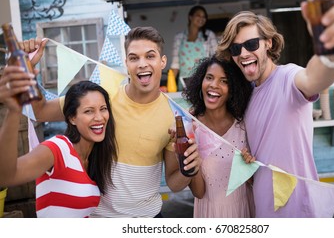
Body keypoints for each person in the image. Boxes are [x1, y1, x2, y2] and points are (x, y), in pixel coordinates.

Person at [25, 26, 201, 217]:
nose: (142, 64)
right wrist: (27, 66)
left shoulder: (174, 116)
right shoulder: (101, 98)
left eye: (150, 56)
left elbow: (174, 184)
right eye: (134, 58)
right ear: (126, 63)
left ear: (162, 62)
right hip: (100, 218)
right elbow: (40, 112)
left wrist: (188, 170)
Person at [216, 0, 334, 217]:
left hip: (300, 209)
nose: (243, 53)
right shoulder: (246, 93)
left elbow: (314, 79)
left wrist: (332, 52)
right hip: (263, 208)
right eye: (235, 48)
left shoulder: (288, 77)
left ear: (268, 43)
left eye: (251, 44)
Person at [0, 71, 118, 218]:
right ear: (72, 118)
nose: (99, 117)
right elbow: (6, 176)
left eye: (103, 109)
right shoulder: (57, 149)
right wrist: (14, 111)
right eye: (89, 111)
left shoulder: (94, 157)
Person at [182, 55, 255, 217]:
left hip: (242, 212)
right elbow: (199, 193)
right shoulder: (191, 127)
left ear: (233, 90)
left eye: (224, 81)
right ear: (200, 82)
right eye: (209, 78)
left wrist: (248, 168)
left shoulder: (243, 126)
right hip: (208, 213)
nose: (214, 85)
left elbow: (254, 184)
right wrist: (191, 157)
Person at [170, 5, 218, 89]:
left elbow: (216, 59)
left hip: (203, 81)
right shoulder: (179, 37)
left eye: (204, 17)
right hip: (183, 83)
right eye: (198, 15)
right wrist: (169, 84)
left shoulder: (209, 35)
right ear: (190, 17)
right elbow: (175, 64)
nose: (201, 18)